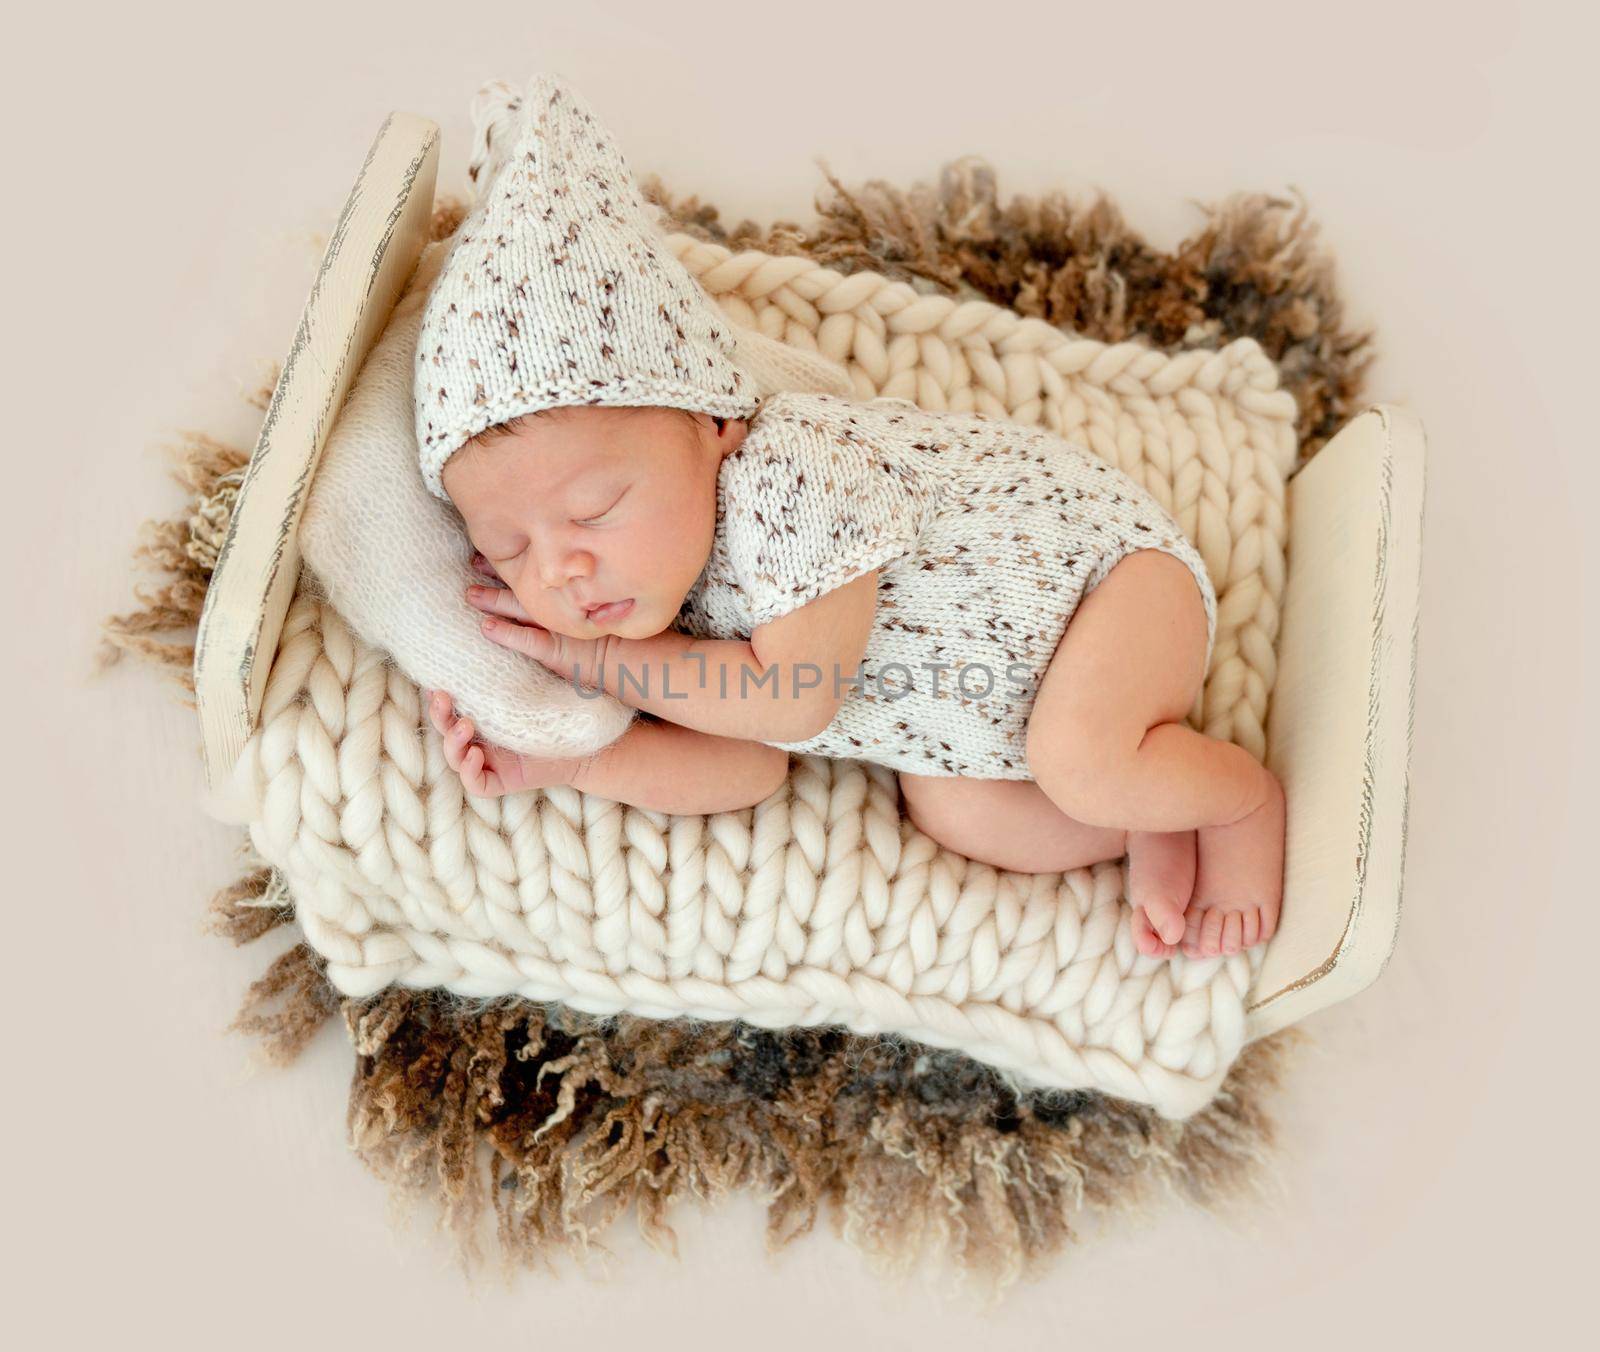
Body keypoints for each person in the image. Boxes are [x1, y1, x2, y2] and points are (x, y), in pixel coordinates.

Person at [413, 72, 1283, 961]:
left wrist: (594, 660)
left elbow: (790, 701)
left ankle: (1241, 802)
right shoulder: (663, 612)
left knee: (1077, 758)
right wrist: (576, 761)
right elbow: (747, 768)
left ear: (712, 426)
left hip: (1115, 586)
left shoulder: (788, 474)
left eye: (594, 509)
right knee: (958, 808)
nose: (559, 569)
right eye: (509, 549)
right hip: (989, 716)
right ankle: (1147, 811)